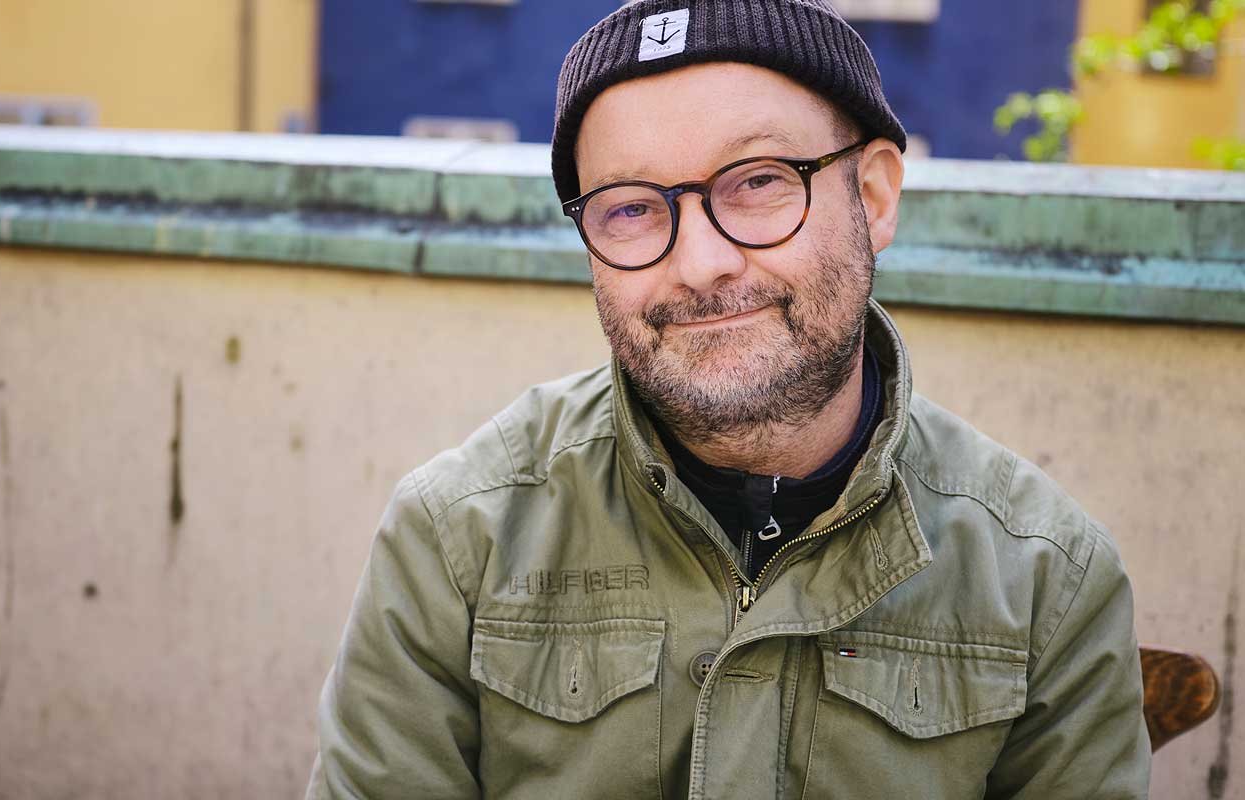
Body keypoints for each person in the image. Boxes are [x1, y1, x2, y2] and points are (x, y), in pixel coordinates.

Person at [307, 1, 1151, 797]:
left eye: (757, 182)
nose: (702, 263)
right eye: (632, 209)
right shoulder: (458, 539)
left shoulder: (1046, 578)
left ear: (873, 198)